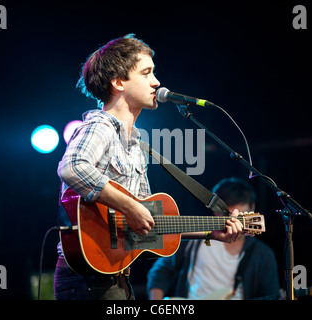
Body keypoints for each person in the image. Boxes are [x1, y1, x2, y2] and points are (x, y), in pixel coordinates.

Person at [54, 34, 244, 300]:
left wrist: (210, 232)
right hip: (88, 278)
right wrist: (130, 206)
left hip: (115, 278)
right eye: (146, 73)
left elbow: (148, 225)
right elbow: (72, 168)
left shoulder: (138, 143)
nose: (156, 82)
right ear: (119, 82)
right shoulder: (100, 126)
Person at [147, 177, 281, 300]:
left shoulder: (263, 255)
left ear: (252, 208)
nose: (235, 223)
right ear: (215, 211)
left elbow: (269, 295)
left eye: (240, 216)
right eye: (228, 216)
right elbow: (159, 273)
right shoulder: (193, 238)